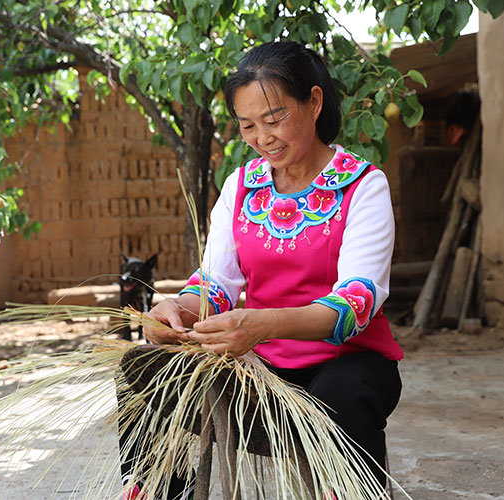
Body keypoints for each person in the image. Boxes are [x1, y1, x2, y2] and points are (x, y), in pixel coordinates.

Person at [123, 40, 403, 500]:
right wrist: (177, 309)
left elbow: (356, 304)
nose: (262, 138)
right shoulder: (242, 186)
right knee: (143, 368)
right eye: (248, 125)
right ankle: (161, 491)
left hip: (346, 364)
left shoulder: (363, 186)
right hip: (260, 371)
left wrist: (263, 324)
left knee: (345, 394)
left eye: (275, 120)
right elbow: (216, 285)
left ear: (314, 103)